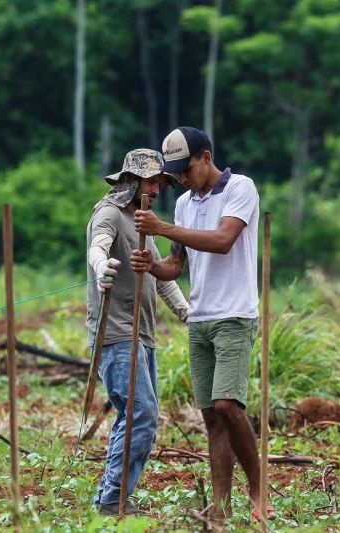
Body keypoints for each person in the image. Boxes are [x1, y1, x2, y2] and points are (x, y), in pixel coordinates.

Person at [130, 127, 272, 523]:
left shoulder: (240, 188)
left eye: (185, 169)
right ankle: (221, 507)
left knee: (229, 405)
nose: (180, 179)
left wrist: (163, 229)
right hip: (201, 318)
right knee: (212, 416)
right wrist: (153, 266)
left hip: (234, 315)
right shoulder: (185, 205)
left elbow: (224, 239)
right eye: (174, 174)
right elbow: (177, 264)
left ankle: (259, 487)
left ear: (205, 157)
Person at [86, 148, 189, 516]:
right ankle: (114, 500)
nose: (158, 188)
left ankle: (110, 498)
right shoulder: (109, 212)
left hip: (143, 333)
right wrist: (102, 267)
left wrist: (185, 311)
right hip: (116, 333)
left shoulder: (143, 221)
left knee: (141, 416)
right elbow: (97, 245)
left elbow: (160, 274)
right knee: (140, 414)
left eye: (161, 181)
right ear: (131, 181)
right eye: (152, 180)